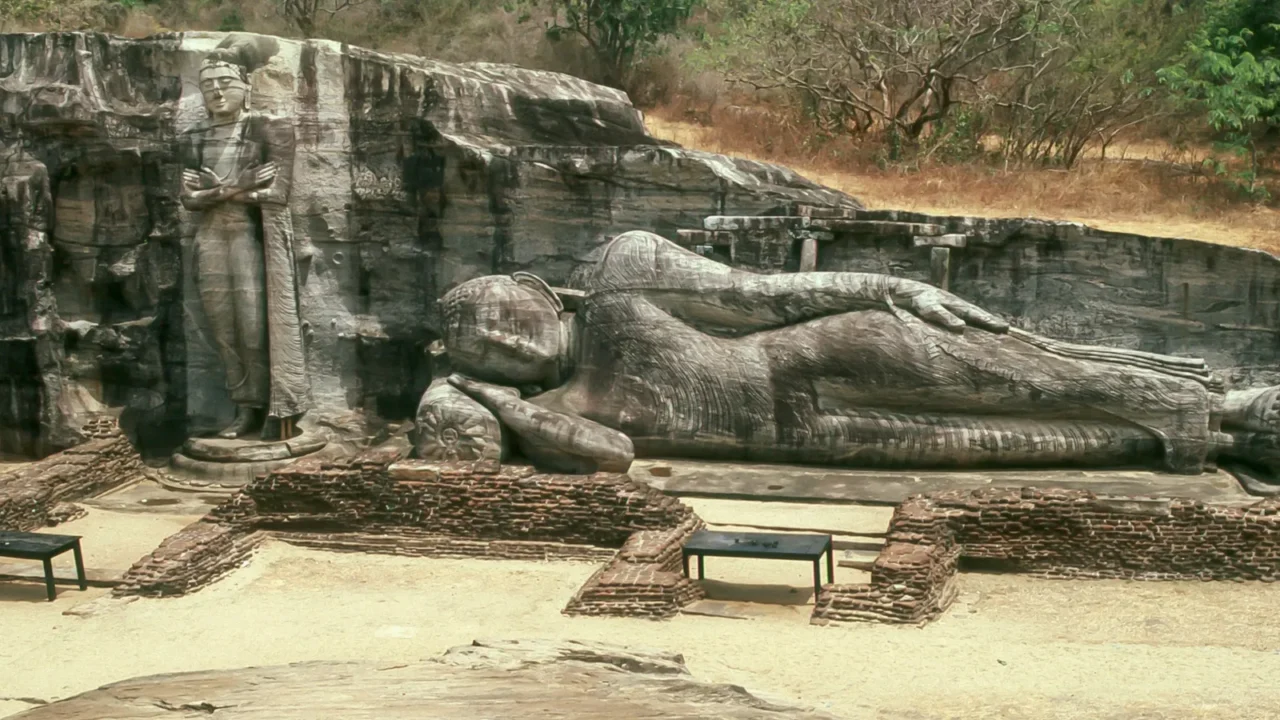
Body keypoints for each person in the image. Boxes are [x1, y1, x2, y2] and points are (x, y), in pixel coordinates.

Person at [437, 230, 1279, 481]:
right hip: (818, 437)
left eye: (500, 315)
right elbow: (611, 458)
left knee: (1040, 379)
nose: (510, 339)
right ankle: (1217, 442)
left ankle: (1234, 408)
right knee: (1042, 441)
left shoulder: (621, 274)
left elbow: (762, 294)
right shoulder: (560, 410)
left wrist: (891, 289)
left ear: (532, 285)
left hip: (833, 355)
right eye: (493, 349)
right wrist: (492, 397)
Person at [179, 47, 308, 440]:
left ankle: (274, 408)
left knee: (255, 327)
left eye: (225, 84)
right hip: (211, 238)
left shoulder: (271, 127)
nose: (216, 93)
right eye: (207, 86)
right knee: (224, 330)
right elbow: (187, 199)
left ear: (245, 86)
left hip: (251, 239)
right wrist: (241, 186)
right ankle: (244, 408)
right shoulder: (196, 136)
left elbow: (276, 195)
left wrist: (216, 191)